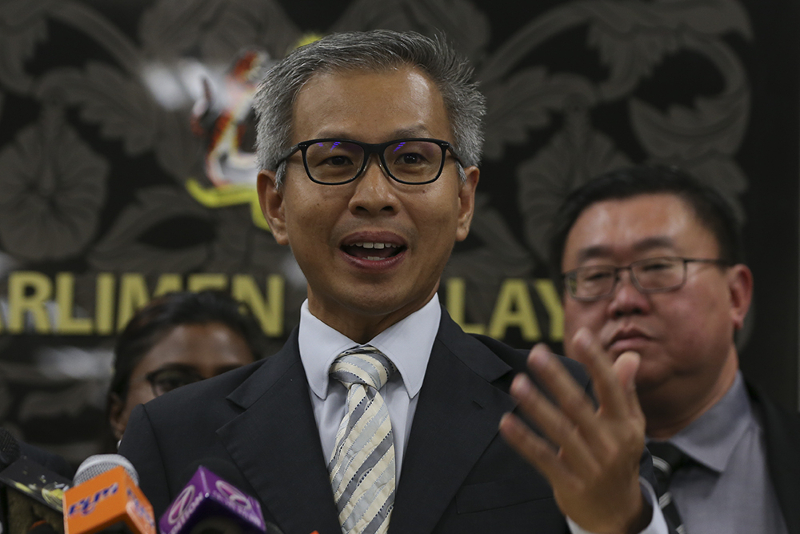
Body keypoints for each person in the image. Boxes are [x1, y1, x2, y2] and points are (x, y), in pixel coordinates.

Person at [119, 30, 666, 534]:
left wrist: (619, 525)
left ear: (463, 201)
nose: (375, 194)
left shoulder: (570, 414)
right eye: (334, 160)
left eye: (411, 159)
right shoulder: (171, 438)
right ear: (276, 204)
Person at [548, 165, 800, 534]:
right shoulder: (502, 481)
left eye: (657, 267)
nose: (624, 300)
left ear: (736, 295)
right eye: (596, 275)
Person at [108, 290, 265, 446]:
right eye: (175, 382)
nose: (206, 405)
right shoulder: (101, 472)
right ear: (118, 414)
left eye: (233, 385)